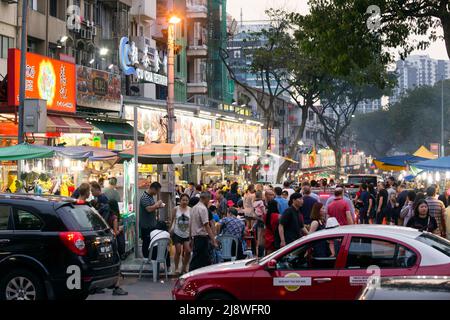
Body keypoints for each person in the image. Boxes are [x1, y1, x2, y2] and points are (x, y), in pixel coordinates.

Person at [189, 192, 218, 271]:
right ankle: (192, 275)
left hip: (195, 237)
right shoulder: (203, 209)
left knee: (198, 258)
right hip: (202, 237)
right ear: (205, 198)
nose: (208, 201)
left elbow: (190, 224)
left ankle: (194, 274)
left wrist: (190, 238)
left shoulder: (193, 208)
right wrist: (213, 240)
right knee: (201, 259)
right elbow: (207, 225)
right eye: (208, 199)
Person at [107, 199, 128, 296]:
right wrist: (120, 229)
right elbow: (115, 233)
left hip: (107, 243)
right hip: (114, 243)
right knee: (117, 264)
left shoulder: (106, 216)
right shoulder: (114, 217)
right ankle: (116, 287)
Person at [139, 182, 164, 259]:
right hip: (146, 225)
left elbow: (152, 207)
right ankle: (146, 258)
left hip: (151, 224)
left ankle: (150, 258)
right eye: (157, 191)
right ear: (153, 188)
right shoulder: (144, 197)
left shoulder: (150, 196)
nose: (157, 193)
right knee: (146, 243)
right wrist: (157, 204)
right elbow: (149, 209)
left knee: (150, 242)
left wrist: (158, 206)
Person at [170, 194, 191, 275]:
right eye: (183, 200)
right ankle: (176, 268)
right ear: (180, 201)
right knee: (178, 251)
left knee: (188, 251)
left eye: (186, 200)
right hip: (177, 233)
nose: (185, 202)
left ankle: (184, 266)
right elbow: (172, 220)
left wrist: (191, 234)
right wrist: (170, 231)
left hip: (187, 234)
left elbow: (191, 222)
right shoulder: (176, 209)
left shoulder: (190, 210)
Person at [253, 191, 266, 258]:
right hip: (261, 219)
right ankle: (260, 254)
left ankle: (258, 253)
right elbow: (263, 210)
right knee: (261, 237)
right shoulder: (261, 202)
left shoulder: (254, 202)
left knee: (258, 237)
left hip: (257, 219)